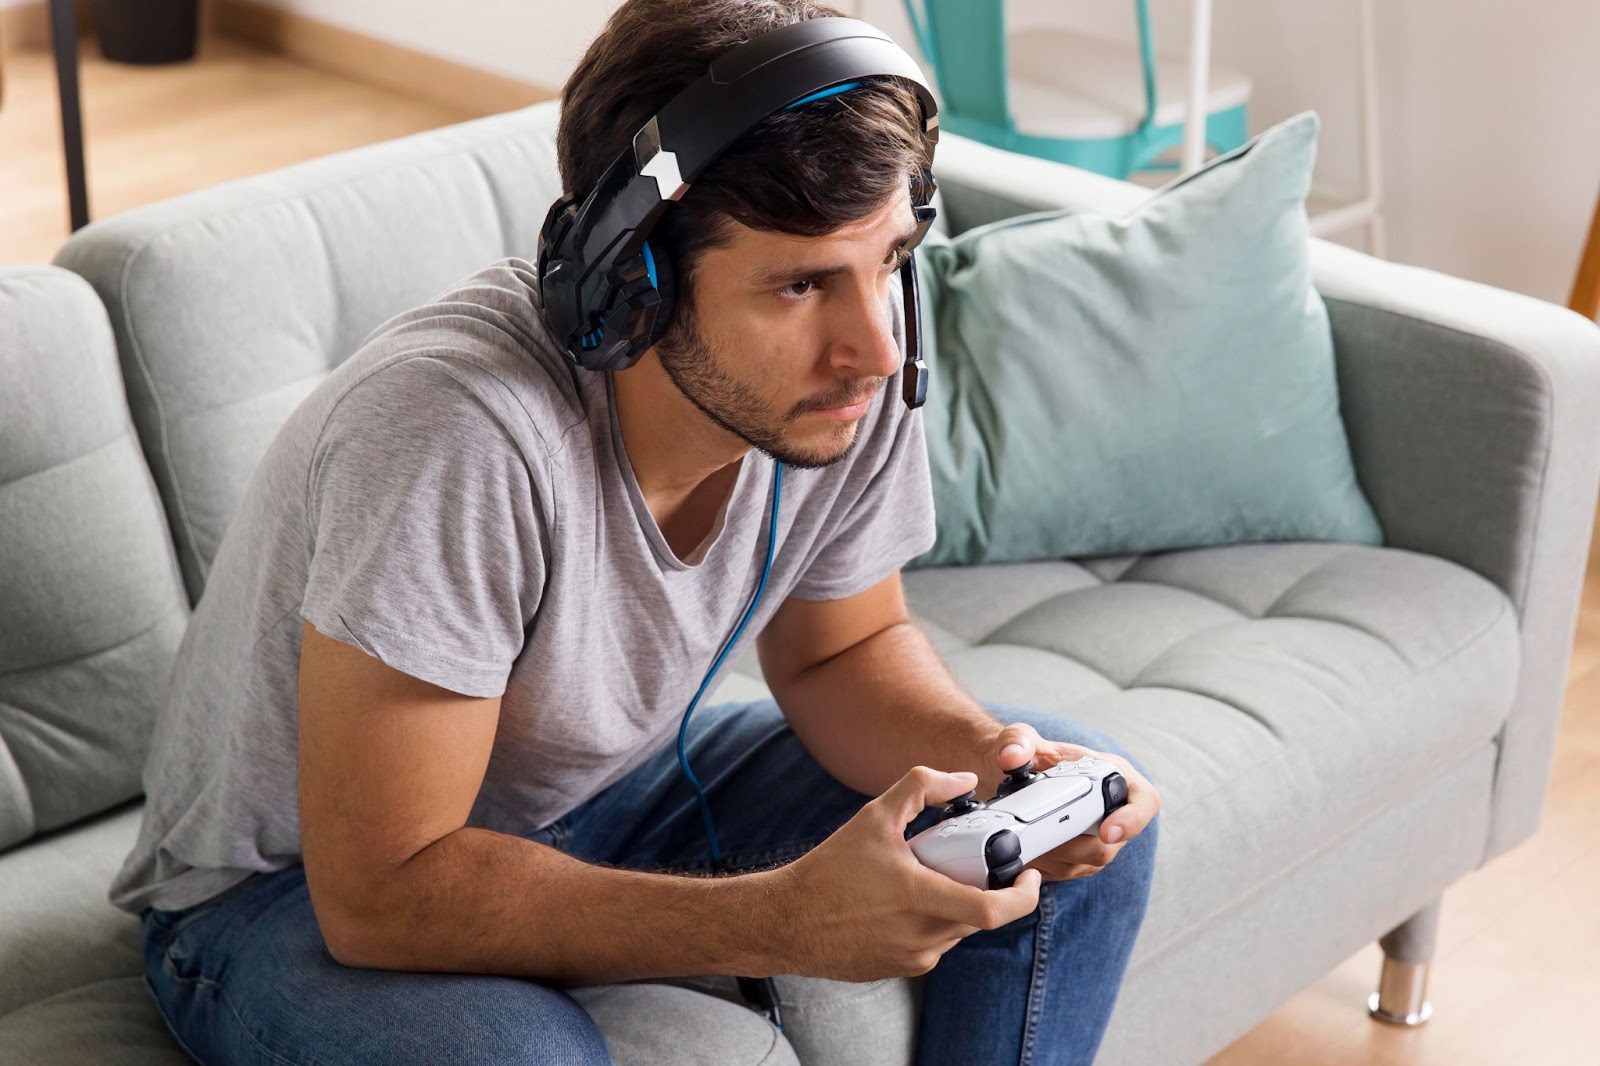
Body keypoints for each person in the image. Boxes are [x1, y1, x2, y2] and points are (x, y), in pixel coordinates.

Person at [110, 2, 1162, 1063]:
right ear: (631, 282)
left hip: (619, 789)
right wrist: (784, 915)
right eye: (801, 283)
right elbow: (382, 892)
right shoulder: (455, 432)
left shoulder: (849, 371)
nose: (874, 348)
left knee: (1081, 813)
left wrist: (992, 762)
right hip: (293, 887)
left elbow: (839, 650)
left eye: (887, 262)